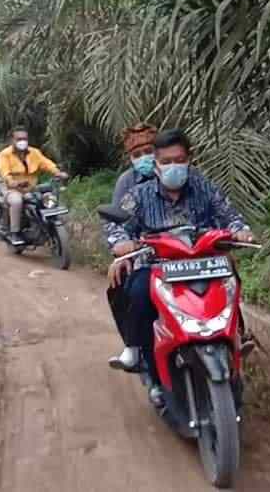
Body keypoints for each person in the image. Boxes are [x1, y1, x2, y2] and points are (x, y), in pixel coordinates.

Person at [103, 129, 255, 401]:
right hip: (157, 265)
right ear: (157, 165)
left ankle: (237, 336)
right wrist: (121, 243)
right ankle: (150, 369)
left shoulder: (204, 187)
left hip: (204, 262)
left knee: (231, 280)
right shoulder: (139, 194)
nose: (174, 166)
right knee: (138, 294)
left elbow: (229, 214)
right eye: (166, 161)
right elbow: (117, 226)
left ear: (189, 159)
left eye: (179, 159)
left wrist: (240, 230)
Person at [104, 123, 158, 363]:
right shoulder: (128, 184)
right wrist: (122, 250)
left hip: (189, 253)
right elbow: (116, 221)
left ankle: (238, 332)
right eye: (137, 155)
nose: (145, 158)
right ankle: (134, 345)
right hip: (145, 253)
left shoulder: (186, 178)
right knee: (126, 287)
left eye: (150, 151)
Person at [0, 128, 68, 246]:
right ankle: (15, 233)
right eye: (19, 139)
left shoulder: (34, 152)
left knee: (45, 199)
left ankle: (44, 227)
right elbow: (4, 172)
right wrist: (12, 182)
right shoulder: (5, 154)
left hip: (31, 188)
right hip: (12, 189)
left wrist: (58, 173)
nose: (22, 141)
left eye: (24, 139)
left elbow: (46, 163)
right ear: (12, 140)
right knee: (17, 201)